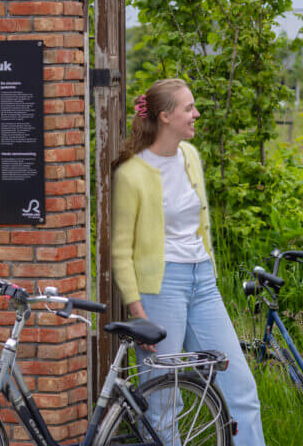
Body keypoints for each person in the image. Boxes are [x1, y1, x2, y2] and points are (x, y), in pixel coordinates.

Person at [110, 78, 266, 446]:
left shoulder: (190, 157)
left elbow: (200, 226)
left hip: (202, 282)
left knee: (240, 387)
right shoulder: (132, 173)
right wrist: (138, 310)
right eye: (188, 108)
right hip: (160, 289)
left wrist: (205, 267)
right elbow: (120, 249)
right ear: (165, 117)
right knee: (163, 400)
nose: (196, 114)